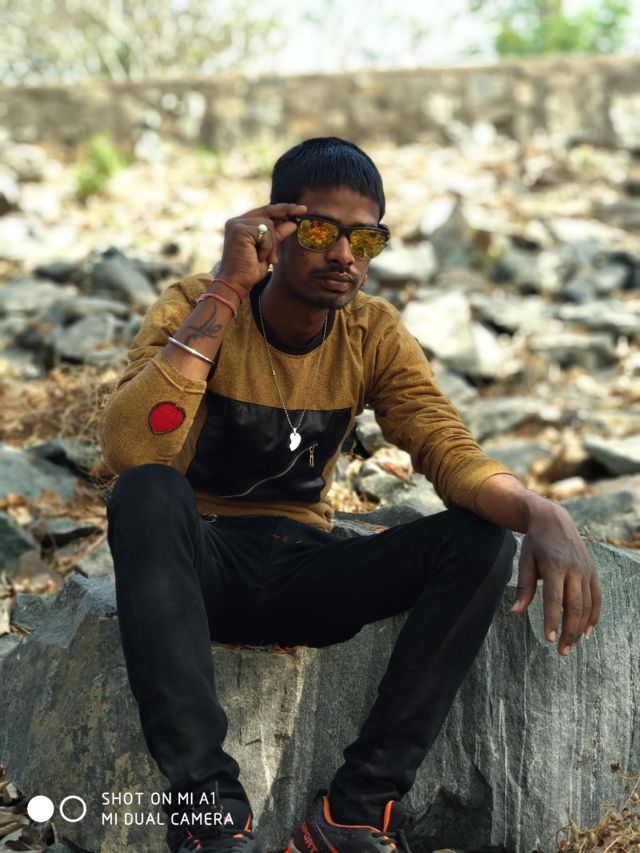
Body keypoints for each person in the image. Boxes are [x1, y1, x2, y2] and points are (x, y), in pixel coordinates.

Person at [100, 136, 601, 853]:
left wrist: (539, 511)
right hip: (198, 563)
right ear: (274, 229)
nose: (344, 255)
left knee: (478, 539)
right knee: (148, 492)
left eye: (365, 238)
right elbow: (130, 449)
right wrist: (227, 288)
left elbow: (444, 445)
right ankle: (209, 820)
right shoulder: (196, 303)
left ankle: (354, 813)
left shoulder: (371, 332)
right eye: (318, 232)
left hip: (305, 569)